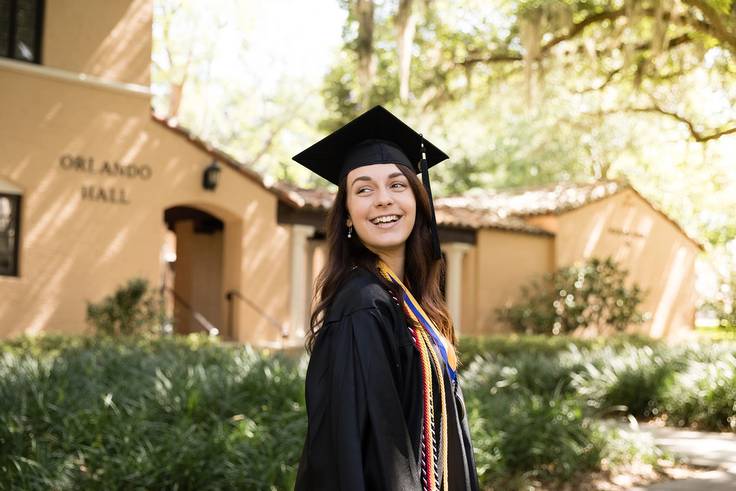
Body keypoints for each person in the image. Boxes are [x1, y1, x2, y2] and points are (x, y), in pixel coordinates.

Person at [292, 106, 480, 491]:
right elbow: (357, 453)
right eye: (364, 189)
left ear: (417, 199)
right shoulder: (363, 304)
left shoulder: (403, 297)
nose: (383, 200)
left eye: (397, 185)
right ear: (346, 215)